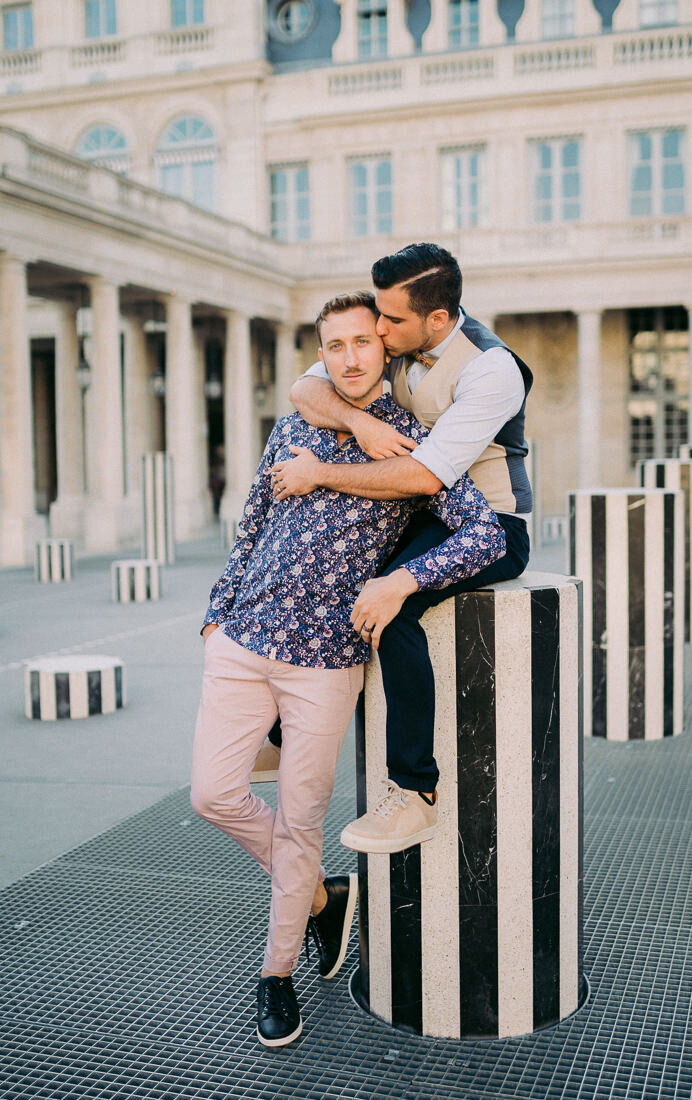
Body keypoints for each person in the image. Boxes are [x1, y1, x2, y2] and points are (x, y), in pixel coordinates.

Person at [190, 291, 505, 1049]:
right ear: (322, 355)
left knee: (299, 824)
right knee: (212, 795)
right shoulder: (299, 419)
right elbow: (253, 520)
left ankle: (276, 973)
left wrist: (402, 580)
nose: (351, 358)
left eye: (364, 342)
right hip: (238, 643)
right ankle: (326, 900)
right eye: (335, 346)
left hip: (324, 664)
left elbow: (485, 534)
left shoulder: (412, 442)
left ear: (385, 349)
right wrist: (215, 611)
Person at [270, 243, 532, 855]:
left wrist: (322, 474)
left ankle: (416, 791)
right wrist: (358, 422)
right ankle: (282, 734)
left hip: (486, 523)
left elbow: (425, 476)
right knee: (329, 569)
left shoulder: (492, 370)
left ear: (437, 319)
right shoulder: (400, 337)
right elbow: (304, 390)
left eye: (390, 321)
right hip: (414, 516)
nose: (378, 331)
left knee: (394, 602)